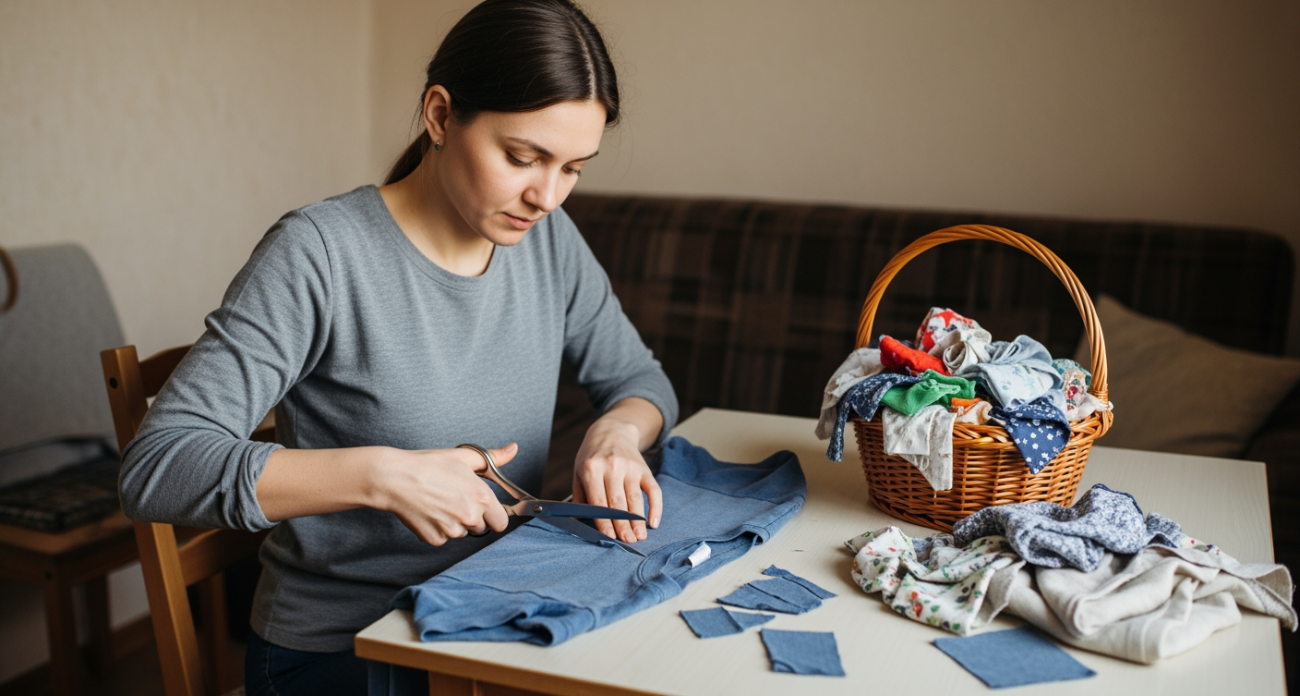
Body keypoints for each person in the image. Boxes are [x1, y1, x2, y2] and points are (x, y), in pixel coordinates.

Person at [117, 1, 678, 694]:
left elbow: (643, 383)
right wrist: (379, 476)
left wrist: (616, 435)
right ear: (440, 115)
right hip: (347, 648)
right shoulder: (319, 253)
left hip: (495, 618)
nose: (547, 197)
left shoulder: (549, 243)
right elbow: (157, 466)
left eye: (573, 169)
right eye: (522, 157)